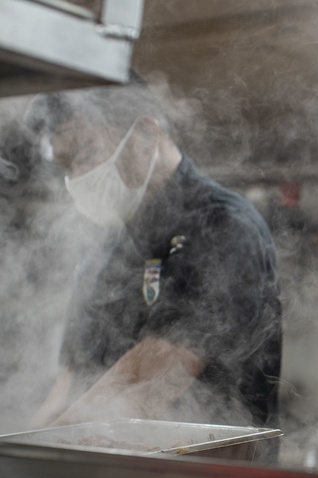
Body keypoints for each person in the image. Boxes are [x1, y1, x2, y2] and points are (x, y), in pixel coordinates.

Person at [26, 75, 282, 429]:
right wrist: (24, 448)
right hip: (113, 475)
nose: (78, 177)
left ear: (146, 133)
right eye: (67, 166)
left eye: (86, 155)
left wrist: (52, 450)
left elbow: (154, 380)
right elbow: (71, 383)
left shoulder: (225, 226)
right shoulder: (103, 247)